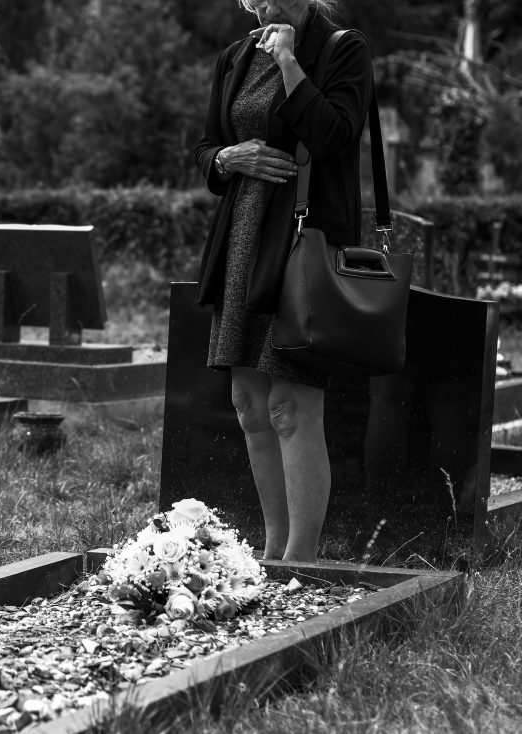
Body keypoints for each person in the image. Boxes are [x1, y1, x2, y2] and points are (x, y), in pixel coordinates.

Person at [193, 0, 373, 562]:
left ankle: (302, 561)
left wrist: (291, 63)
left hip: (300, 240)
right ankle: (272, 555)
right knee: (249, 404)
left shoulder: (342, 48)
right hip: (242, 237)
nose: (255, 3)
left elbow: (336, 138)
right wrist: (228, 157)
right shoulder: (236, 54)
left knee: (290, 405)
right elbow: (204, 148)